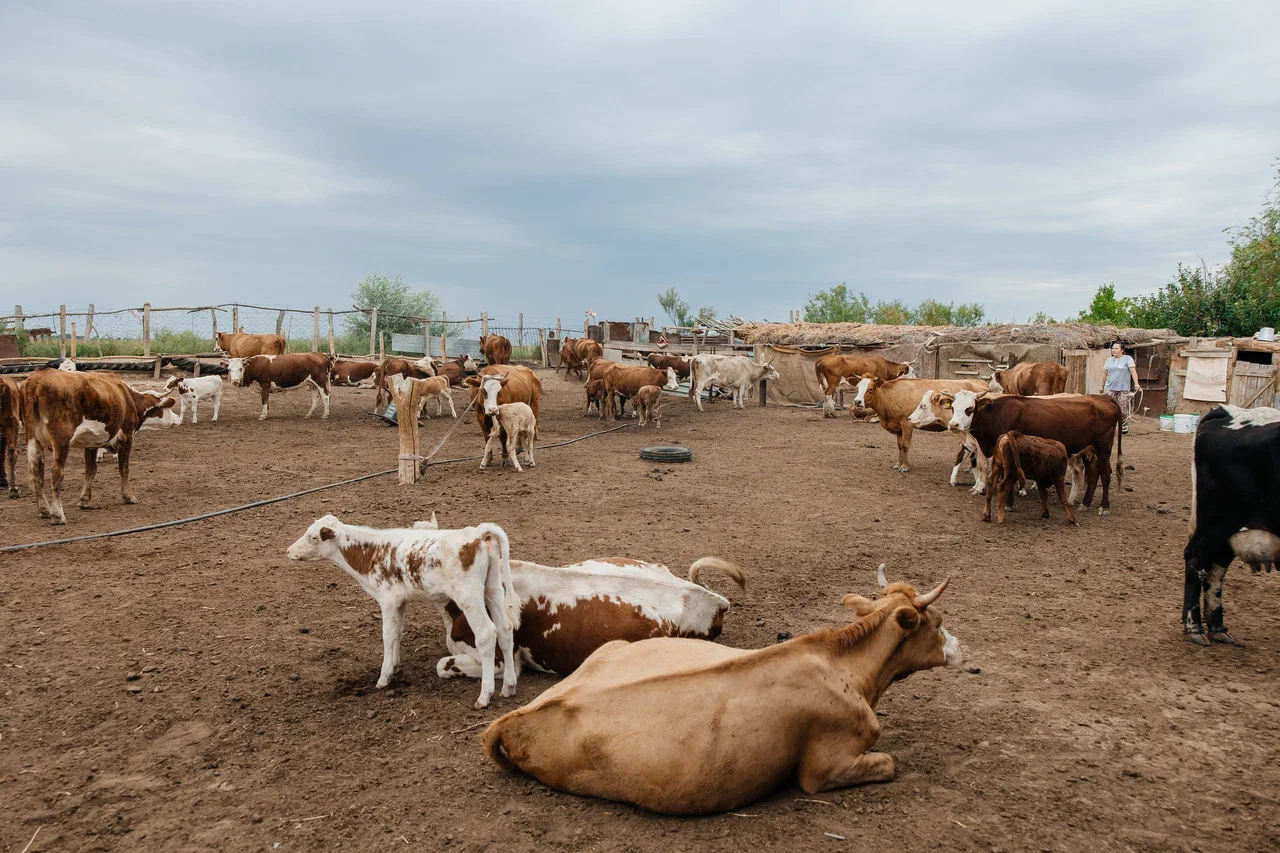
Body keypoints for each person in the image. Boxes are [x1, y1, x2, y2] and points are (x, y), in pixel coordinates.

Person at [1104, 342, 1141, 434]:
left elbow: (1133, 372)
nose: (1114, 350)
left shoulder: (1127, 359)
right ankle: (1108, 426)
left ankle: (1123, 424)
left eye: (1116, 348)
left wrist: (1136, 383)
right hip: (1109, 387)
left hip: (1123, 388)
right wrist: (1102, 387)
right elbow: (1105, 374)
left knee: (1122, 408)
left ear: (1122, 350)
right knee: (1107, 408)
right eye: (1113, 348)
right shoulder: (1108, 360)